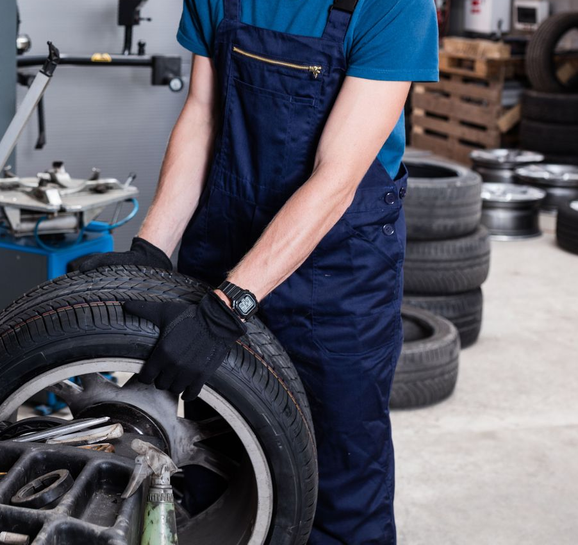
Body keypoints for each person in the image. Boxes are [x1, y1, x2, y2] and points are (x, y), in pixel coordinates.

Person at [78, 0, 438, 542]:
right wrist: (153, 248)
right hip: (222, 240)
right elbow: (203, 113)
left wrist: (229, 309)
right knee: (215, 455)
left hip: (338, 269)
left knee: (335, 471)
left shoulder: (395, 6)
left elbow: (337, 176)